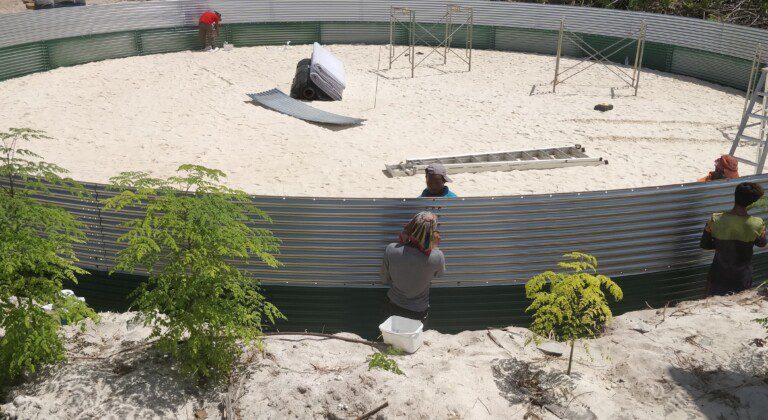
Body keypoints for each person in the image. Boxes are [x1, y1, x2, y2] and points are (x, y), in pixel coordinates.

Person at [380, 212, 446, 328]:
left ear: (411, 227)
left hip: (393, 307)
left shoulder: (391, 249)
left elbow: (384, 279)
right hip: (418, 312)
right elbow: (440, 274)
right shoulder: (437, 256)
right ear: (433, 232)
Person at [700, 182, 767, 296]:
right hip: (742, 278)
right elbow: (762, 244)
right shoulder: (757, 223)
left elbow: (704, 244)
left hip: (718, 276)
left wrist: (721, 244)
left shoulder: (715, 219)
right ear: (753, 202)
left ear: (735, 196)